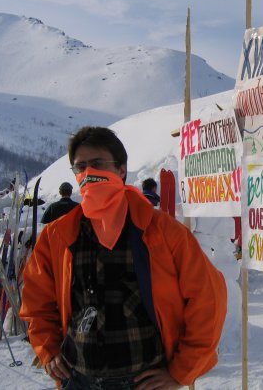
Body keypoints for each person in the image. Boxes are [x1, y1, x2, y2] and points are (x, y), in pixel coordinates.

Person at [20, 126, 227, 390]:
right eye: (80, 167)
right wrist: (48, 349)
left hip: (143, 381)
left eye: (97, 164)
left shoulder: (161, 231)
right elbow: (36, 303)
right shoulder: (57, 237)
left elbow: (208, 298)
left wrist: (181, 371)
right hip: (79, 379)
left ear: (121, 169)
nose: (88, 174)